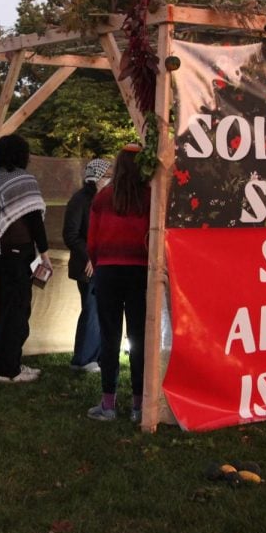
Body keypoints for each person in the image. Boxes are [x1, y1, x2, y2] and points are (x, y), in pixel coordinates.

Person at [0, 133, 53, 384]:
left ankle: (6, 365)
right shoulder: (24, 180)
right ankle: (11, 370)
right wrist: (45, 254)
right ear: (22, 155)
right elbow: (34, 221)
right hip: (18, 255)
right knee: (18, 310)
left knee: (1, 308)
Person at [85, 144, 151, 423]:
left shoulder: (102, 197)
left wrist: (99, 261)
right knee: (138, 338)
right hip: (139, 272)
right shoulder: (150, 198)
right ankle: (139, 406)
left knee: (110, 337)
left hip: (108, 272)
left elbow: (92, 241)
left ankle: (108, 404)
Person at [63, 157, 111, 373]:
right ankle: (83, 358)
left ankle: (97, 355)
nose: (109, 180)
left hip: (102, 264)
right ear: (96, 178)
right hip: (87, 267)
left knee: (100, 311)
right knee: (91, 310)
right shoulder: (80, 201)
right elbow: (71, 235)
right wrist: (89, 255)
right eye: (106, 176)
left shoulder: (102, 200)